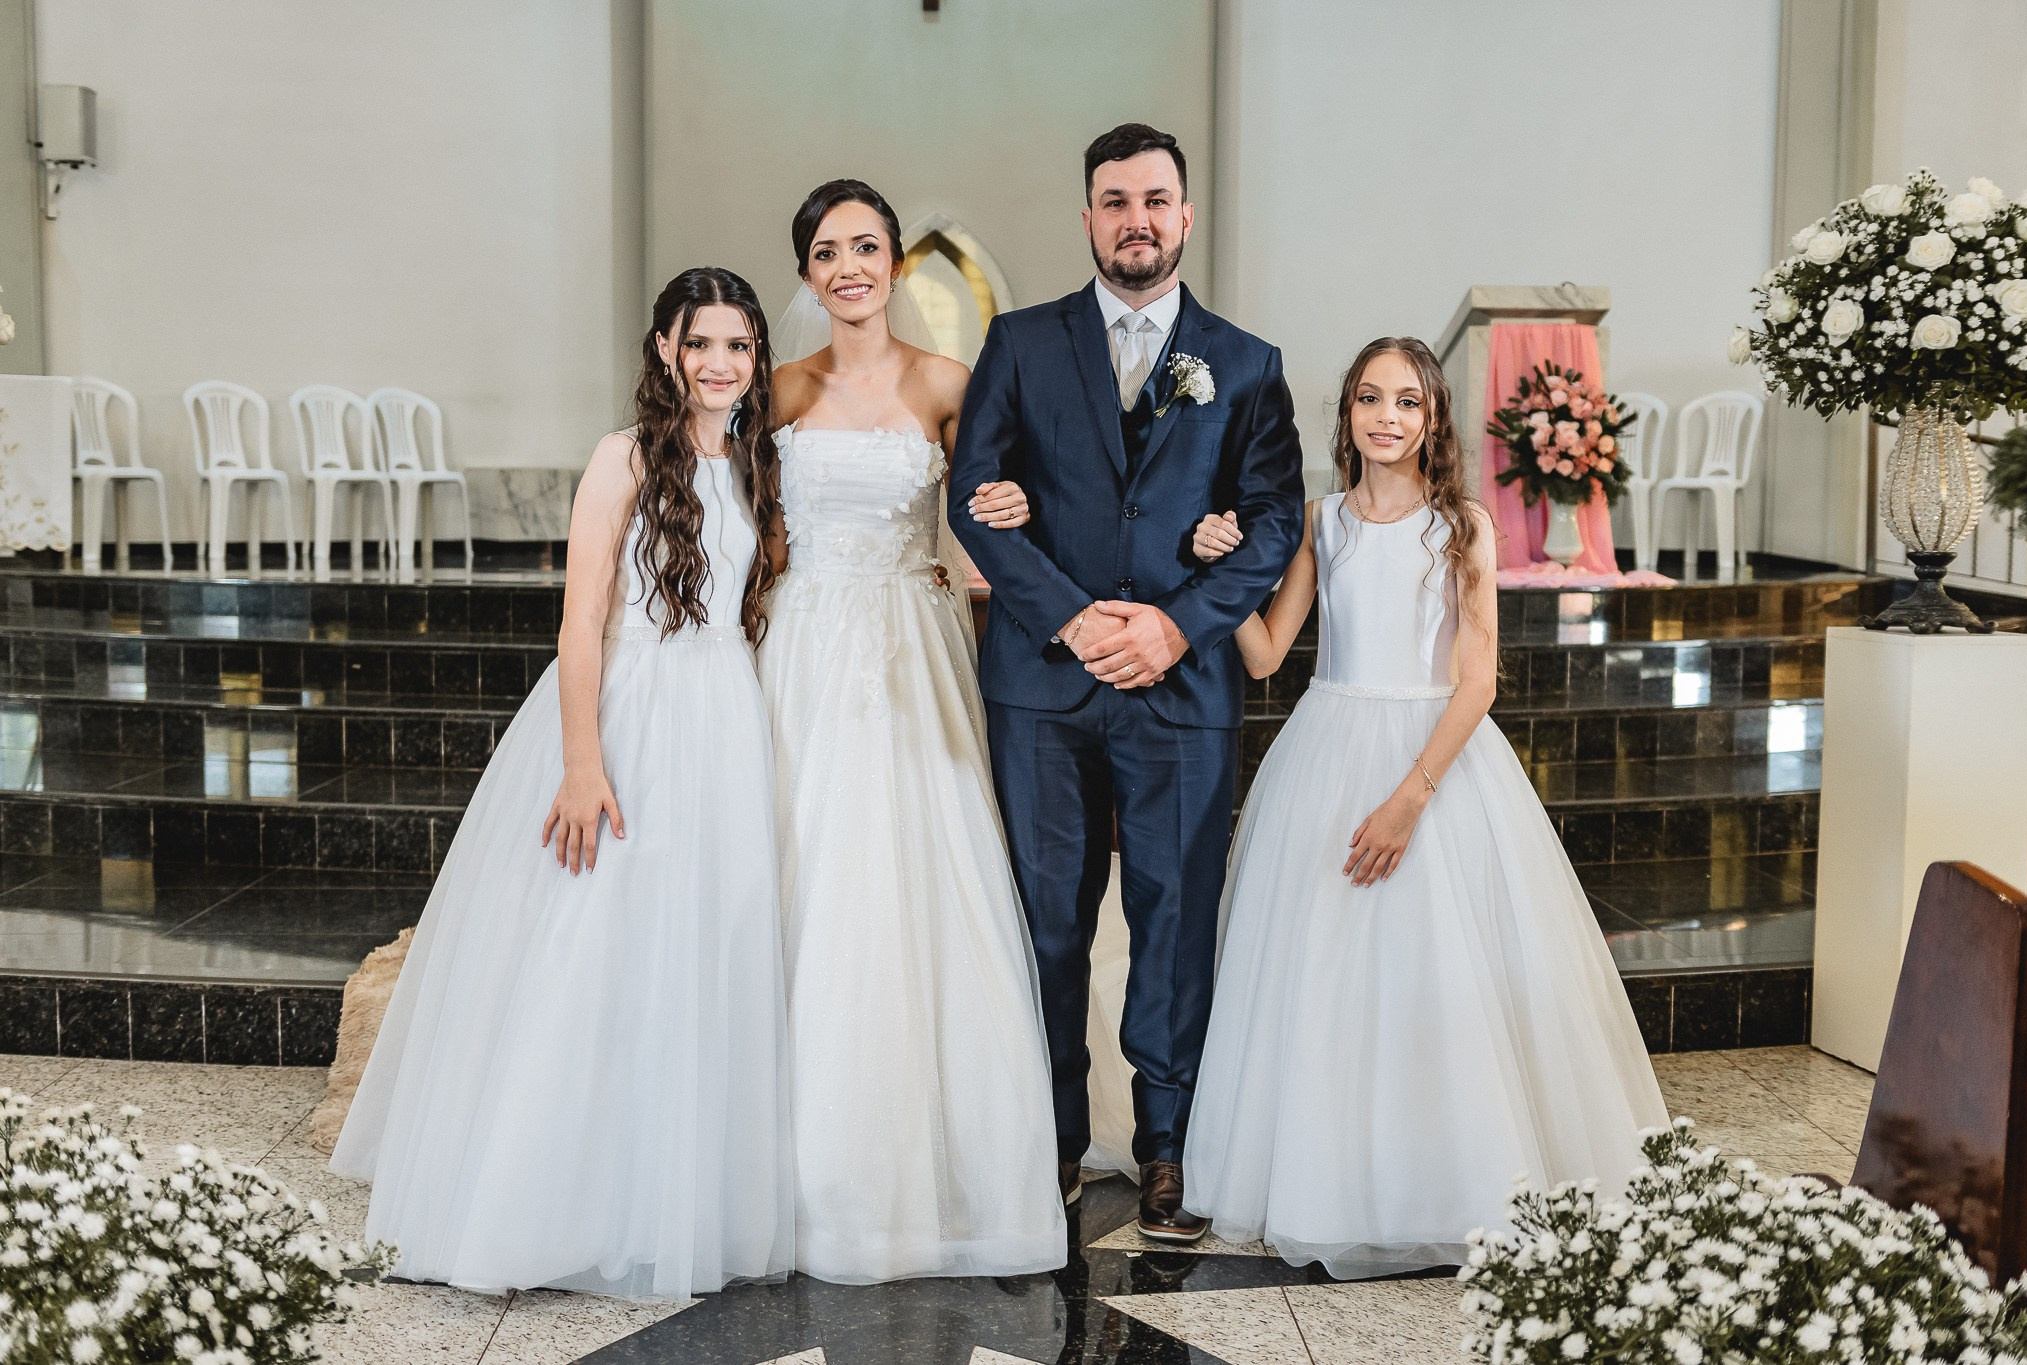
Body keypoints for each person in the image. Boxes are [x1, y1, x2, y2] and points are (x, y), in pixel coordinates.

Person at [330, 268, 794, 1299]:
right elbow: (580, 620)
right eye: (699, 344)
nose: (719, 365)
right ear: (663, 351)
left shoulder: (758, 463)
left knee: (701, 942)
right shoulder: (622, 458)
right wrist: (583, 764)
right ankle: (543, 1198)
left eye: (738, 347)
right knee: (596, 937)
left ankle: (673, 1190)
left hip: (725, 712)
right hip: (631, 708)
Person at [1180, 336, 1668, 1277]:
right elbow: (1267, 653)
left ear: (1434, 417)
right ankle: (1335, 1180)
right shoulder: (1321, 521)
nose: (1388, 416)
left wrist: (1409, 799)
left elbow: (1478, 681)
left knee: (1440, 977)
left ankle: (1448, 1182)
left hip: (1433, 761)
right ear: (1348, 414)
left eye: (1408, 400)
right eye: (1370, 398)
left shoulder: (1464, 527)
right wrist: (1220, 575)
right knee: (1325, 974)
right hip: (1325, 749)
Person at [947, 123, 1305, 1243]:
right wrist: (1069, 615)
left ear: (1185, 216)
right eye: (1113, 200)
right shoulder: (1016, 342)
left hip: (1178, 693)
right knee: (1046, 924)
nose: (1134, 219)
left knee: (1172, 920)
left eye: (1154, 199)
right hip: (1042, 692)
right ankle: (1050, 1139)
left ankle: (1163, 1152)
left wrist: (1173, 627)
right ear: (1087, 216)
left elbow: (1274, 521)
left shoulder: (1242, 364)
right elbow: (975, 494)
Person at [760, 178, 1066, 1284]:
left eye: (867, 246)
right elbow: (751, 529)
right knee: (802, 866)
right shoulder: (778, 389)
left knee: (916, 873)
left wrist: (995, 534)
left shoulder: (950, 382)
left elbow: (1009, 499)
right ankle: (787, 1162)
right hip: (799, 645)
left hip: (909, 637)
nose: (849, 267)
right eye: (828, 251)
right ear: (805, 273)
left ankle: (935, 1153)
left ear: (897, 263)